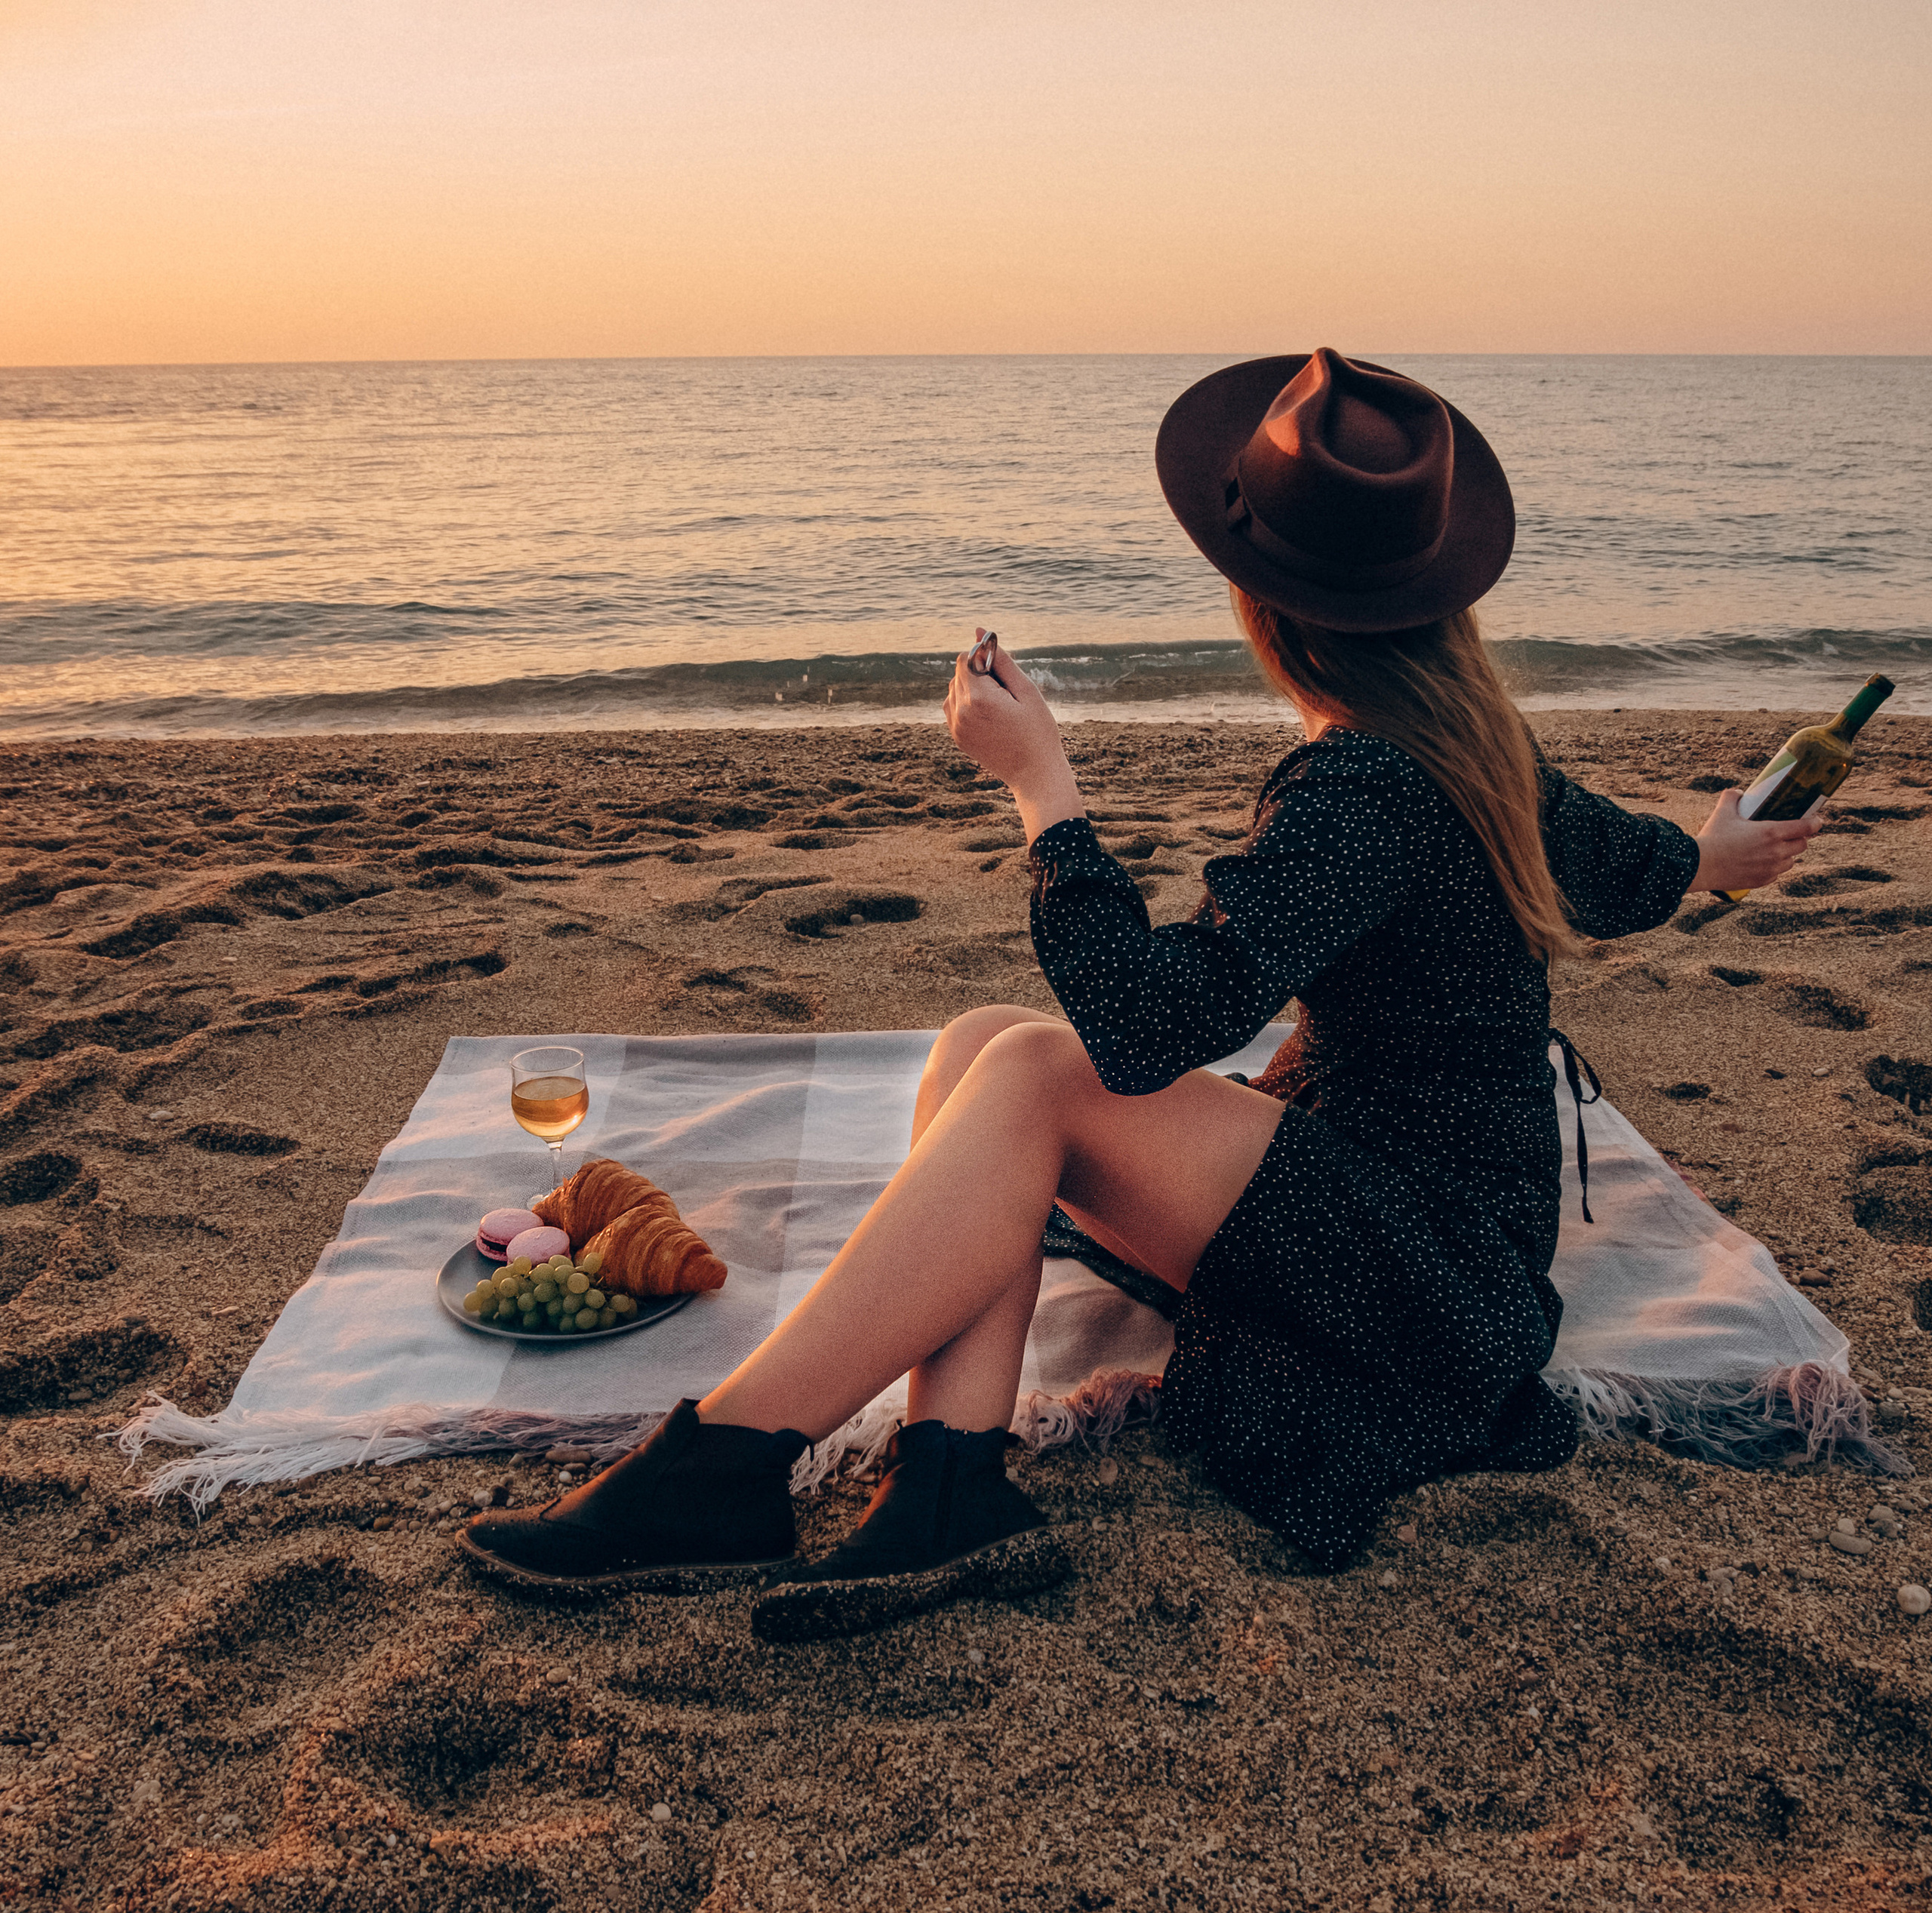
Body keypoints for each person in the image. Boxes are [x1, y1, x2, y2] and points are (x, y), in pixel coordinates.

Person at [460, 349, 1819, 1638]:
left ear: (1264, 605)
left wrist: (1043, 787)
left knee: (1045, 1072)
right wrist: (1720, 849)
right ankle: (949, 1480)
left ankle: (732, 1461)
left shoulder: (1363, 786)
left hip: (1424, 1289)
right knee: (987, 1039)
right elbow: (1632, 869)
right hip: (1441, 1232)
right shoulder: (1470, 740)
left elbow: (1144, 1027)